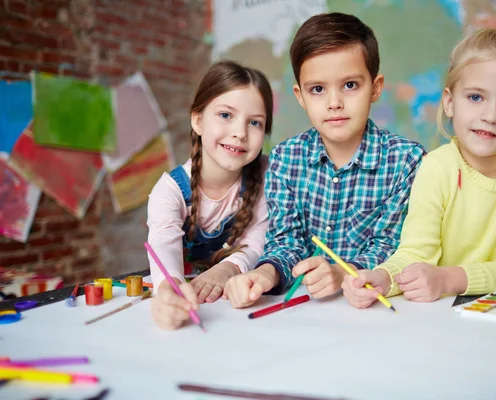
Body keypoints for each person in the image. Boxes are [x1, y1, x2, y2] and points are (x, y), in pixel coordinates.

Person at [342, 28, 496, 307]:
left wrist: (447, 279)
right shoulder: (436, 166)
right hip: (442, 312)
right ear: (449, 102)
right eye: (475, 97)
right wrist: (385, 278)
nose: (490, 116)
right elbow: (416, 253)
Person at [224, 12, 425, 308]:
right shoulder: (285, 158)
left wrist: (342, 273)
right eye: (318, 89)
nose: (334, 103)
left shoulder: (406, 160)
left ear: (376, 87)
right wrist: (266, 274)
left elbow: (391, 247)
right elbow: (285, 241)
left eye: (350, 85)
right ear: (301, 96)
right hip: (303, 313)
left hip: (374, 312)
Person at [147, 61, 273, 329]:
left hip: (238, 316)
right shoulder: (169, 191)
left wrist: (228, 268)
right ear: (198, 120)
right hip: (199, 308)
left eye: (254, 122)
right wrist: (169, 293)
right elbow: (163, 248)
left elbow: (258, 240)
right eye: (226, 115)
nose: (240, 132)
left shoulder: (269, 176)